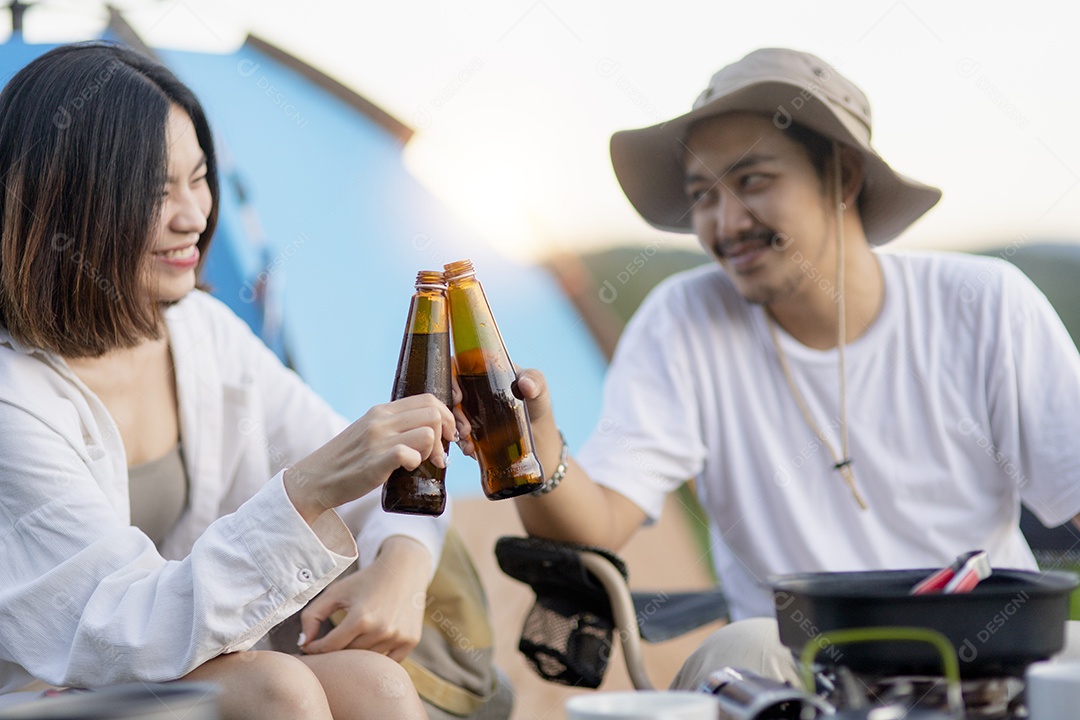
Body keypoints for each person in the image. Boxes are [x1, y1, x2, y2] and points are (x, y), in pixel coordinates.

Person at [454, 48, 1080, 687]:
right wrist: (532, 441)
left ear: (843, 178)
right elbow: (600, 523)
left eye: (751, 181)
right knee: (740, 649)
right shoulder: (684, 321)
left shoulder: (984, 304)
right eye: (702, 195)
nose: (725, 223)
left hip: (988, 660)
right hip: (795, 673)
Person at [0, 42, 457, 719]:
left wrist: (402, 571)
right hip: (41, 689)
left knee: (378, 685)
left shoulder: (200, 332)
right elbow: (122, 630)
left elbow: (385, 494)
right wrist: (306, 490)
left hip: (158, 671)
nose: (194, 215)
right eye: (155, 191)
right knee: (279, 690)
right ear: (63, 204)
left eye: (200, 177)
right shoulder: (14, 397)